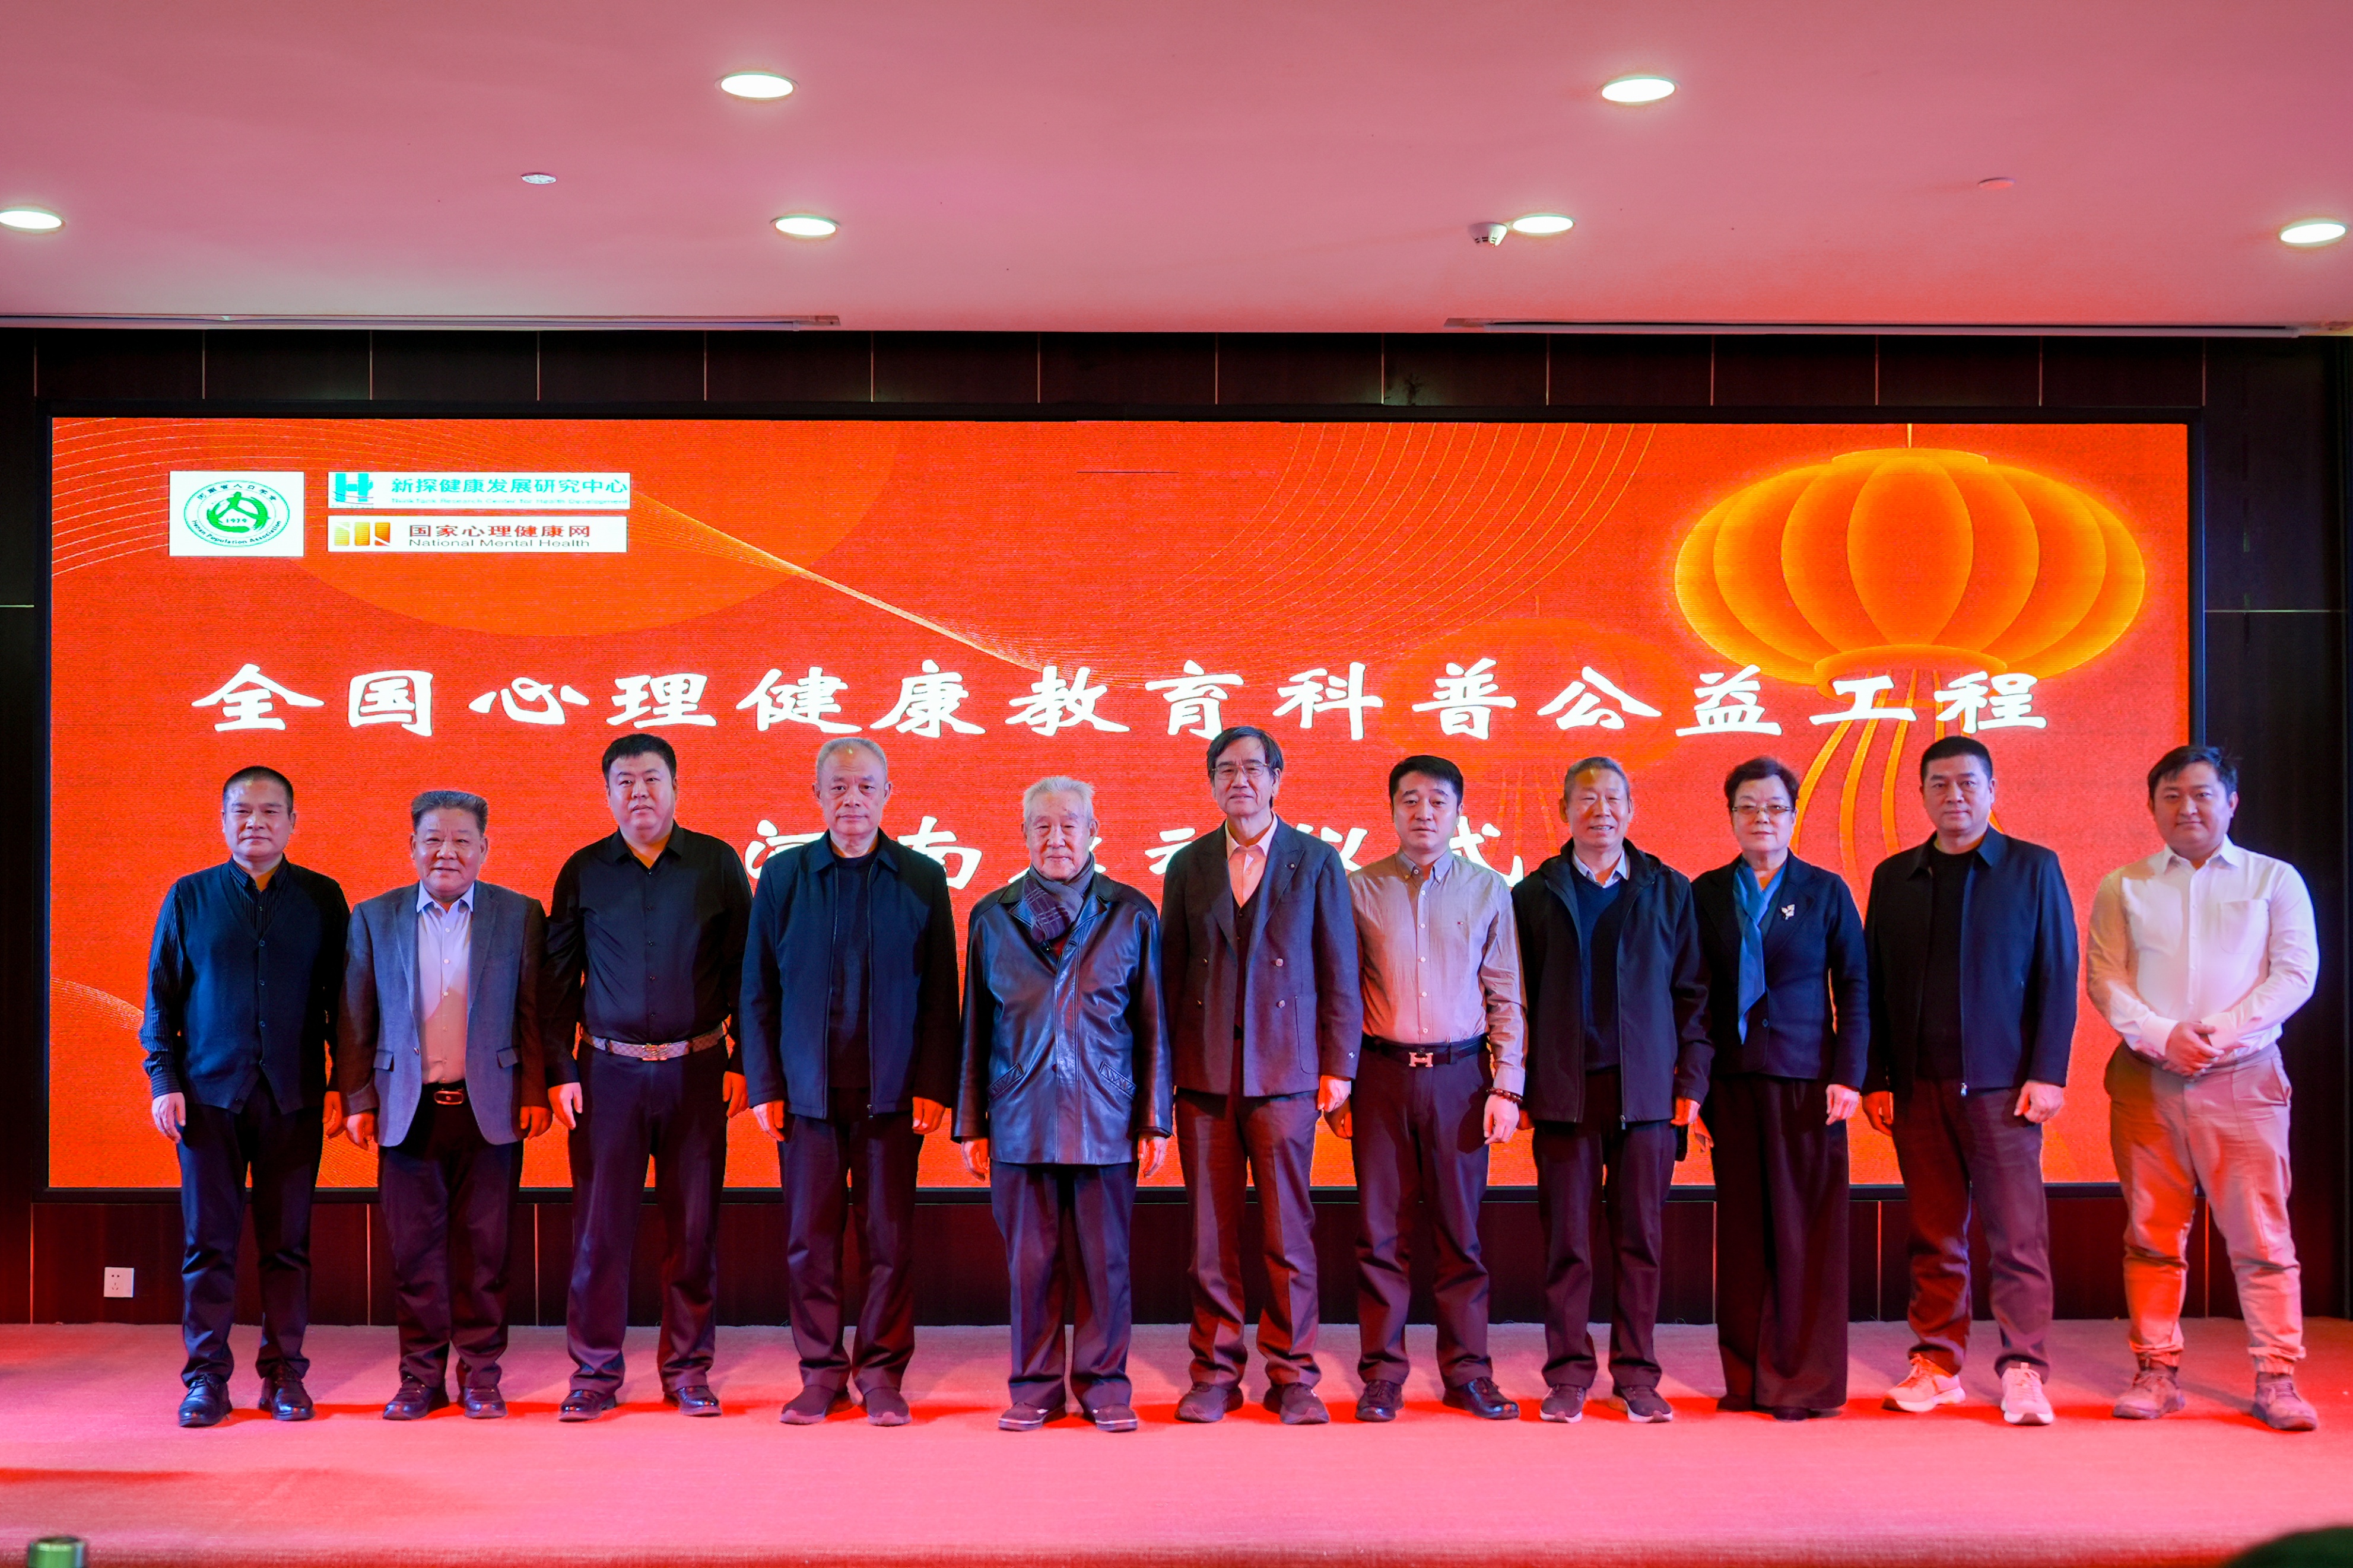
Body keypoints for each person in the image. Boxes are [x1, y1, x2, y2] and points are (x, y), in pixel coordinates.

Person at [2088, 746, 2319, 1432]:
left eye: (2200, 794)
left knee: (2261, 1238)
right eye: (2170, 796)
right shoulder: (2122, 885)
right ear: (2151, 806)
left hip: (2243, 1077)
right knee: (2151, 1234)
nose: (2185, 808)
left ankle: (2276, 1378)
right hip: (2146, 1079)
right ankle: (2154, 1370)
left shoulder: (2273, 879)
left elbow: (2293, 974)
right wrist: (2165, 1036)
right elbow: (2104, 977)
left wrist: (2214, 1034)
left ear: (2229, 802)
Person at [739, 736, 960, 1426]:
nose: (852, 800)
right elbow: (757, 989)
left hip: (892, 1095)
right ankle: (821, 1374)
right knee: (810, 1240)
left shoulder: (920, 877)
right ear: (817, 796)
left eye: (865, 787)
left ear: (888, 793)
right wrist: (764, 1084)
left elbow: (940, 993)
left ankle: (883, 1375)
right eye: (837, 788)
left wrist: (934, 1083)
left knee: (888, 1241)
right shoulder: (784, 877)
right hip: (805, 1094)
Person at [1863, 734, 2076, 1427]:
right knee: (1933, 1237)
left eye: (1966, 783)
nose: (1953, 796)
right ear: (1921, 795)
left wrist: (2047, 1073)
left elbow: (2056, 976)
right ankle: (1936, 1363)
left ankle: (2023, 1369)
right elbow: (1871, 986)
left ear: (1991, 791)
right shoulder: (1894, 877)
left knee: (2016, 1238)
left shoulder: (2031, 868)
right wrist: (1876, 1077)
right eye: (1939, 785)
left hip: (2002, 1088)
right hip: (1917, 1090)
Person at [955, 777, 1173, 1432]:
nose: (1056, 838)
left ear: (1092, 831)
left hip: (1107, 1115)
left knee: (1106, 1265)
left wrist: (1154, 1119)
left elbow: (1154, 1025)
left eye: (1069, 824)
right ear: (1023, 834)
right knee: (1030, 1265)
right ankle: (1035, 1388)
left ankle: (1105, 1386)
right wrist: (971, 1123)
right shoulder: (992, 917)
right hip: (1018, 1117)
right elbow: (974, 1029)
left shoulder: (1131, 913)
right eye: (1042, 826)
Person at [545, 736, 752, 1421]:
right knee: (599, 1233)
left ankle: (688, 1370)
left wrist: (744, 1062)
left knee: (692, 1231)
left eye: (652, 778)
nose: (639, 792)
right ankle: (594, 1374)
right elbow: (557, 981)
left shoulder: (717, 864)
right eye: (625, 781)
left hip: (698, 1071)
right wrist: (560, 1068)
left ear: (675, 787)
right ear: (607, 793)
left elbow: (745, 971)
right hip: (607, 1075)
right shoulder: (583, 871)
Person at [1159, 725, 1361, 1424]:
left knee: (1287, 1233)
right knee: (1209, 1238)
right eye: (1225, 769)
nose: (1238, 780)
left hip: (1286, 1074)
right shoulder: (1187, 864)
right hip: (1205, 1076)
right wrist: (1164, 1074)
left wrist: (1338, 1065)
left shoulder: (1316, 860)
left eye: (1252, 768)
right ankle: (1214, 1373)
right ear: (1211, 782)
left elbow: (1339, 968)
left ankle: (1292, 1375)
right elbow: (1169, 974)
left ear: (1277, 778)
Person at [141, 765, 350, 1428]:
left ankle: (284, 1373)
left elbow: (343, 1002)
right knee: (209, 1244)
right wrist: (164, 1082)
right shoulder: (190, 896)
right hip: (207, 1098)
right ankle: (206, 1378)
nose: (255, 822)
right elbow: (161, 998)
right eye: (241, 810)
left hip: (294, 1097)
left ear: (292, 822)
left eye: (269, 811)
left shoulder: (322, 897)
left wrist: (344, 1082)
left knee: (288, 1245)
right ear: (223, 820)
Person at [336, 790, 551, 1420]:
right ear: (412, 847)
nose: (446, 852)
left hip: (491, 1108)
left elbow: (534, 1012)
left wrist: (533, 1092)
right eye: (433, 839)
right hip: (407, 1109)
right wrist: (357, 1098)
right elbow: (355, 1018)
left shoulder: (519, 915)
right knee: (415, 1255)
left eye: (461, 840)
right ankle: (420, 1378)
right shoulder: (375, 917)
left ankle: (481, 1375)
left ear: (484, 848)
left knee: (486, 1253)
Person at [1512, 755, 1709, 1424]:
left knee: (1639, 1240)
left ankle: (1636, 1375)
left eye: (1613, 799)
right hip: (1564, 1095)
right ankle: (1567, 1374)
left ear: (1631, 809)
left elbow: (1693, 995)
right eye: (1586, 799)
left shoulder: (1668, 889)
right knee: (1566, 1243)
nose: (1600, 810)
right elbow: (1515, 997)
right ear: (1564, 810)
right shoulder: (1533, 894)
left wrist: (1690, 1080)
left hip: (1647, 1094)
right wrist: (1517, 1085)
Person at [1337, 755, 1525, 1423]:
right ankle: (1382, 1375)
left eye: (1437, 802)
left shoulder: (1487, 889)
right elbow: (1341, 994)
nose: (1423, 813)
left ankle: (1467, 1374)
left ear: (1457, 813)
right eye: (1410, 800)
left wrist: (1507, 1085)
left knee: (1460, 1234)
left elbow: (1505, 993)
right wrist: (1341, 1082)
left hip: (1461, 1079)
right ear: (1391, 809)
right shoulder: (1357, 889)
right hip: (1381, 1077)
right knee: (1379, 1235)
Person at [1692, 757, 1868, 1420]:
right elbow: (1693, 996)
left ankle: (1803, 1382)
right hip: (1731, 1085)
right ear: (1730, 816)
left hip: (1807, 1083)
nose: (1759, 819)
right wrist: (1693, 1088)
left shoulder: (1824, 891)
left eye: (1773, 807)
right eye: (1747, 807)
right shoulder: (1707, 893)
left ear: (1792, 816)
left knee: (1804, 1233)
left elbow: (1854, 987)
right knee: (1743, 1235)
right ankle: (1745, 1378)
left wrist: (1848, 1074)